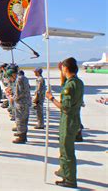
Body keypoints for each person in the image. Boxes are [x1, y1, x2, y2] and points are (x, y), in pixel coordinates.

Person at [46, 57, 84, 188]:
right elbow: (65, 87)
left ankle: (70, 179)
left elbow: (65, 107)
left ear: (66, 68)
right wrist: (61, 73)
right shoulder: (78, 83)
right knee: (64, 148)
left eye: (62, 68)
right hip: (74, 120)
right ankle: (64, 171)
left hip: (68, 121)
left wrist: (51, 99)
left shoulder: (70, 85)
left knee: (67, 151)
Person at [10, 70, 32, 144]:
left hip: (21, 102)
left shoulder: (19, 79)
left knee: (20, 119)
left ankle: (21, 137)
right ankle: (23, 135)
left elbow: (19, 92)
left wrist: (14, 98)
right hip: (26, 102)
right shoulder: (25, 78)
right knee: (25, 119)